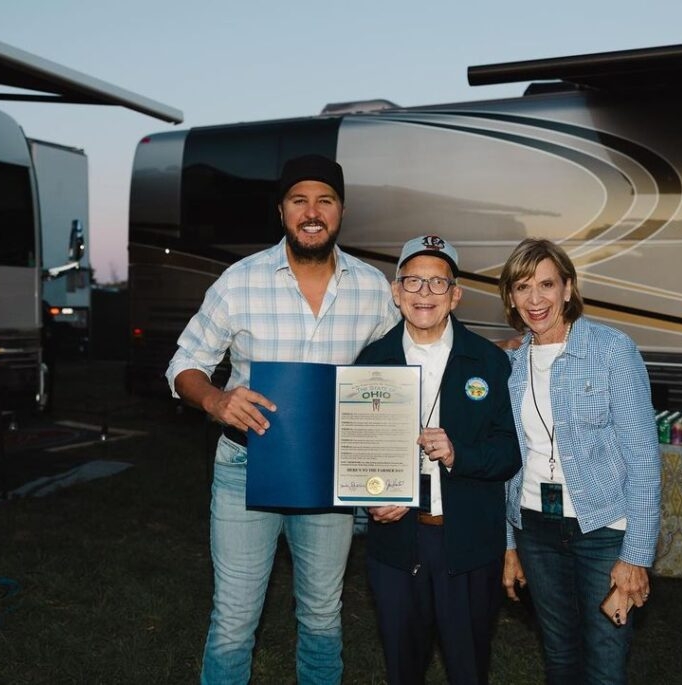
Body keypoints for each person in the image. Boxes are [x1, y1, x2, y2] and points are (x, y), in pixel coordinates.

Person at [166, 154, 400, 685]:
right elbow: (185, 364)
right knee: (233, 620)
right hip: (245, 471)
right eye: (300, 200)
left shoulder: (371, 289)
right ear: (281, 211)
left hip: (327, 477)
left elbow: (405, 366)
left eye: (325, 200)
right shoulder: (240, 281)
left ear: (341, 210)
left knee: (321, 616)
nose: (312, 212)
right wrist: (216, 401)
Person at [357, 235, 521, 685]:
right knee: (402, 667)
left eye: (437, 283)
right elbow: (357, 448)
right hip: (398, 542)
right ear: (396, 292)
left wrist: (459, 454)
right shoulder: (371, 363)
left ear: (456, 295)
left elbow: (509, 453)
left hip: (467, 543)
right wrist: (369, 496)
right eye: (413, 282)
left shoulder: (488, 362)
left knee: (468, 668)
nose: (423, 294)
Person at [497, 238, 660, 685]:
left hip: (603, 530)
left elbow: (644, 458)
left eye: (547, 284)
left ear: (568, 288)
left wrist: (636, 555)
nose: (535, 299)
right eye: (523, 287)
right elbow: (509, 463)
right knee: (560, 658)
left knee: (605, 666)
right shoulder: (510, 364)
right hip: (535, 527)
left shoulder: (612, 350)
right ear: (510, 296)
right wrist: (509, 545)